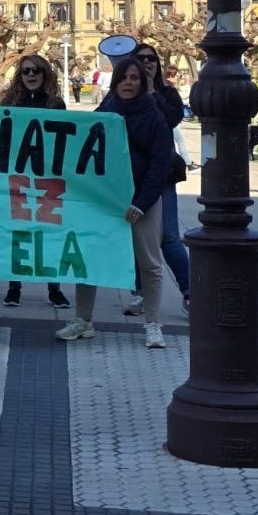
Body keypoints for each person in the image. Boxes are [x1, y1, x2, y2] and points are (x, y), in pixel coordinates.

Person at [58, 55, 172, 348]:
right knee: (90, 258)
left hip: (141, 203)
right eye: (123, 78)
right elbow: (75, 136)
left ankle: (153, 324)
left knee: (149, 263)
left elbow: (161, 164)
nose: (128, 83)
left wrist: (142, 203)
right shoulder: (104, 111)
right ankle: (83, 320)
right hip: (105, 202)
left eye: (134, 78)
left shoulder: (154, 116)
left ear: (142, 82)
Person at [120, 43, 190, 315]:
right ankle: (138, 292)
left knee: (169, 237)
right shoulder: (122, 93)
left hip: (160, 175)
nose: (146, 62)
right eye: (140, 58)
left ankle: (190, 292)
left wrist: (151, 91)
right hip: (130, 174)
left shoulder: (167, 93)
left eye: (151, 59)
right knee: (135, 234)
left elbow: (171, 120)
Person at [0, 55, 71, 310]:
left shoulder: (55, 105)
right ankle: (14, 287)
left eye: (36, 71)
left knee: (49, 232)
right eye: (26, 71)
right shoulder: (9, 103)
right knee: (18, 231)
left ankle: (54, 289)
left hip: (47, 178)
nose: (31, 75)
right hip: (17, 177)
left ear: (45, 74)